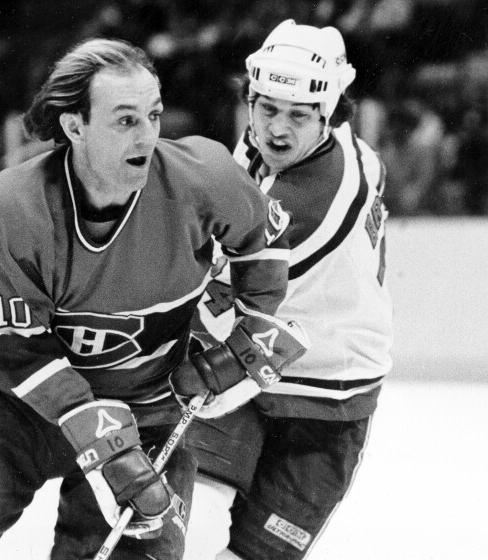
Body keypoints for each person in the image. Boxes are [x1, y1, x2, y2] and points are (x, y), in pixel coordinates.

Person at [0, 38, 307, 560]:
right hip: (13, 408)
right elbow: (17, 348)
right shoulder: (7, 212)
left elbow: (262, 241)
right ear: (75, 126)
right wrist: (93, 425)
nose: (148, 136)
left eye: (154, 115)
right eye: (125, 120)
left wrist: (252, 324)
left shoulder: (206, 178)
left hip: (150, 406)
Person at [182, 20, 394, 560]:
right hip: (247, 372)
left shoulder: (316, 195)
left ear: (327, 112)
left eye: (298, 115)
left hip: (326, 396)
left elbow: (209, 282)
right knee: (195, 528)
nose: (276, 129)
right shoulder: (290, 142)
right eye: (267, 108)